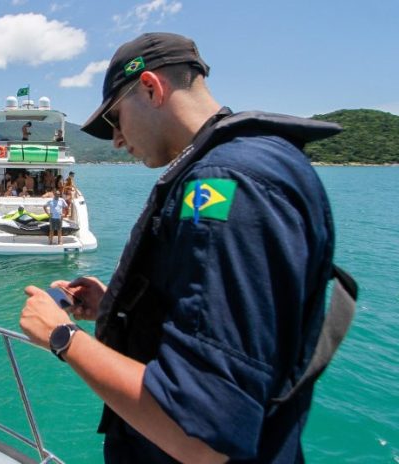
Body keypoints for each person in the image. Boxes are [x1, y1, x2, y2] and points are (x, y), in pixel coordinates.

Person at [19, 32, 347, 463]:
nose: (116, 139)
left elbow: (202, 435)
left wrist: (62, 338)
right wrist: (122, 307)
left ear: (151, 89)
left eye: (116, 119)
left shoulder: (224, 188)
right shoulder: (264, 164)